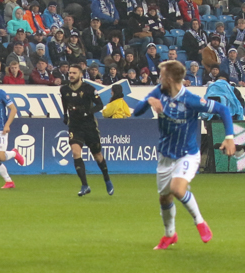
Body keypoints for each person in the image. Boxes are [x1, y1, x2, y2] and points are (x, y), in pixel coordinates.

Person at [132, 60, 237, 249]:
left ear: (170, 79)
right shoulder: (159, 91)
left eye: (162, 75)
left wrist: (229, 137)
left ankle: (200, 222)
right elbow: (136, 112)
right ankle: (169, 235)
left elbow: (223, 109)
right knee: (165, 198)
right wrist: (148, 101)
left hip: (187, 154)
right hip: (165, 156)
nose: (159, 78)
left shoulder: (191, 100)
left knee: (178, 189)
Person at [61, 64, 113, 197]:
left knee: (97, 155)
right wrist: (65, 115)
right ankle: (85, 185)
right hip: (75, 125)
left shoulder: (89, 89)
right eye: (70, 73)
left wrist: (87, 112)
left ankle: (107, 179)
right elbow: (64, 101)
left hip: (89, 125)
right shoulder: (64, 89)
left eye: (74, 73)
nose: (71, 75)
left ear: (80, 75)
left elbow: (100, 105)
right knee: (75, 152)